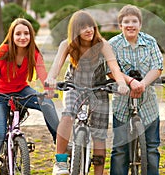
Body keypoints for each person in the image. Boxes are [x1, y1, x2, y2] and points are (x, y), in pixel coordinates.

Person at [46, 10, 129, 175]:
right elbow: (55, 68)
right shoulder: (67, 45)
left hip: (99, 89)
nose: (88, 30)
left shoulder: (103, 44)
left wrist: (121, 83)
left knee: (99, 135)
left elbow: (114, 67)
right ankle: (60, 162)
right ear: (75, 30)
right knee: (68, 115)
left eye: (91, 25)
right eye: (83, 27)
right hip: (74, 87)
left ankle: (98, 172)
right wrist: (50, 80)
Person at [0, 18, 59, 175]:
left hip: (21, 90)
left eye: (26, 33)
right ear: (12, 36)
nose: (23, 37)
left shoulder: (34, 53)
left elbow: (42, 74)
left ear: (31, 36)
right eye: (18, 34)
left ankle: (59, 140)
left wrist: (48, 88)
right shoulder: (4, 50)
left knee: (46, 102)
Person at [108, 4, 164, 175]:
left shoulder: (150, 42)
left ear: (140, 24)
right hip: (122, 101)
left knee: (152, 148)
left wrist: (142, 84)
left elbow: (158, 67)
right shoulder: (113, 44)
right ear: (120, 26)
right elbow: (111, 70)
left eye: (134, 21)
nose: (130, 25)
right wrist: (131, 82)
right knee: (120, 150)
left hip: (147, 100)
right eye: (126, 22)